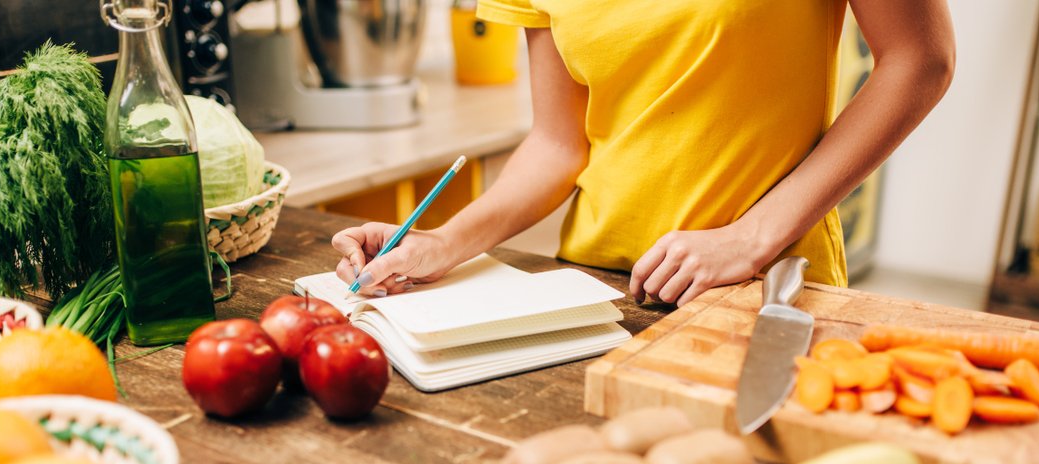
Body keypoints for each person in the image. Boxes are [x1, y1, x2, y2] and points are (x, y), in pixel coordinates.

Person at [332, 0, 955, 307]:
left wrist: (750, 238)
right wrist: (445, 242)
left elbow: (919, 59)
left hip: (765, 284)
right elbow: (557, 143)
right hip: (598, 293)